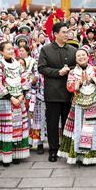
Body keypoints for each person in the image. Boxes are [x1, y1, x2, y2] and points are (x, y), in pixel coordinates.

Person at [58, 49, 96, 164]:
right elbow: (69, 87)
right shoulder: (72, 72)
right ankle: (79, 156)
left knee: (92, 128)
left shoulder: (95, 69)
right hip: (78, 105)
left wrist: (91, 79)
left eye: (83, 55)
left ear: (88, 57)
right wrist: (80, 82)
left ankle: (92, 156)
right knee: (79, 128)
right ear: (76, 59)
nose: (81, 57)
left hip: (94, 103)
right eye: (78, 56)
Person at [38, 22, 76, 162]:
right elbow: (41, 68)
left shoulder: (72, 49)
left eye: (68, 32)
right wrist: (58, 72)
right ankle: (53, 149)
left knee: (68, 122)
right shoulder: (46, 49)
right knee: (52, 123)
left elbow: (77, 65)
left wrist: (69, 69)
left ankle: (66, 148)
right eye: (64, 32)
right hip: (52, 92)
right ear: (55, 34)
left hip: (68, 92)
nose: (67, 34)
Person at [0, 41, 30, 166]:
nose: (11, 51)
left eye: (12, 49)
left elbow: (25, 79)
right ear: (1, 51)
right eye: (8, 49)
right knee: (6, 127)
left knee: (18, 126)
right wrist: (11, 98)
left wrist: (22, 96)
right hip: (5, 101)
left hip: (19, 100)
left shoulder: (18, 64)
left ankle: (16, 153)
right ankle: (5, 155)